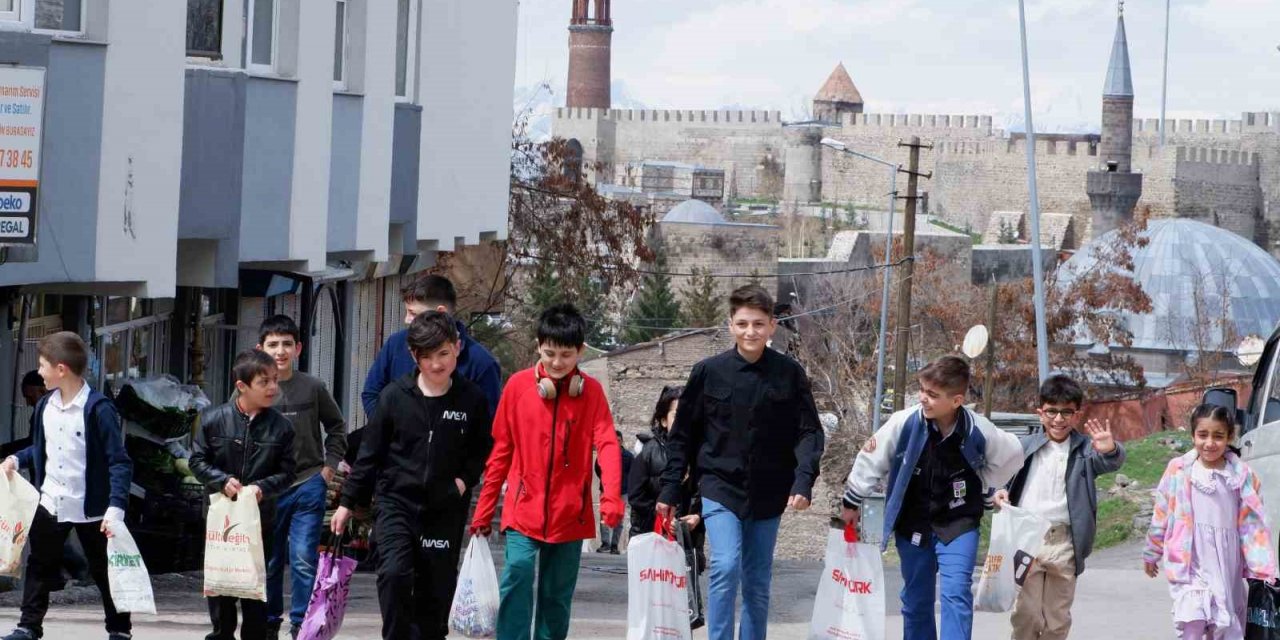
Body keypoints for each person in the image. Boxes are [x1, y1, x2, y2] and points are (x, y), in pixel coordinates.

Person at [656, 285, 825, 640]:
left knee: (757, 579)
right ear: (730, 324)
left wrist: (803, 481)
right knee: (725, 565)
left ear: (772, 326)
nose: (751, 332)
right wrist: (670, 488)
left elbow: (809, 432)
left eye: (759, 324)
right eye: (743, 323)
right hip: (720, 485)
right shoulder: (708, 372)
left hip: (769, 491)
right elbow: (682, 435)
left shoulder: (789, 374)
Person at [332, 311, 494, 640]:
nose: (436, 364)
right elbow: (369, 454)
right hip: (396, 504)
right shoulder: (394, 397)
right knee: (393, 575)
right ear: (413, 356)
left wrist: (462, 483)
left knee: (434, 595)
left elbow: (481, 449)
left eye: (444, 354)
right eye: (427, 357)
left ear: (457, 348)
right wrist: (347, 503)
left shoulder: (471, 399)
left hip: (444, 510)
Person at [469, 303, 624, 640]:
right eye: (550, 352)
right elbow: (500, 453)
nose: (556, 363)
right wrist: (483, 509)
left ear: (580, 352)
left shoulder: (592, 393)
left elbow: (608, 445)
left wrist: (611, 497)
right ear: (538, 345)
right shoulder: (517, 387)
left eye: (566, 355)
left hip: (571, 513)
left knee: (556, 596)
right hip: (523, 509)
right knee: (518, 574)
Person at [842, 355, 1023, 640]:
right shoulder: (904, 423)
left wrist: (988, 489)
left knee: (956, 595)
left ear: (956, 400)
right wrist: (852, 501)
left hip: (959, 523)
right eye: (922, 390)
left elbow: (1012, 455)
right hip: (913, 522)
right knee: (916, 601)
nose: (923, 398)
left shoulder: (979, 429)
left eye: (932, 395)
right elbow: (871, 460)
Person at [0, 332, 134, 640]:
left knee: (104, 571)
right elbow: (42, 448)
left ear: (61, 369)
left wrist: (116, 507)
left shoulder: (99, 409)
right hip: (51, 500)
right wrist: (16, 460)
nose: (40, 372)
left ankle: (119, 630)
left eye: (43, 365)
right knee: (39, 566)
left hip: (93, 506)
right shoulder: (46, 405)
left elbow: (119, 461)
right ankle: (29, 627)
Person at [992, 375, 1127, 640]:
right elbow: (1000, 478)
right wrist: (998, 492)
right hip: (1027, 539)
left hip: (1064, 543)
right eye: (1051, 411)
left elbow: (1110, 462)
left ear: (1077, 415)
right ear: (1040, 412)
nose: (1058, 419)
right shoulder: (1024, 446)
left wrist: (1110, 449)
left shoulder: (1085, 450)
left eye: (1066, 412)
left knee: (1057, 621)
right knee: (1027, 615)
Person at [246, 315, 347, 640]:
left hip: (307, 484)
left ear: (298, 348)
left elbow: (337, 428)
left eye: (287, 344)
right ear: (260, 349)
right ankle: (270, 620)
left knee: (303, 559)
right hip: (267, 491)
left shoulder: (313, 387)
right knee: (271, 562)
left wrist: (328, 468)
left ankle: (302, 625)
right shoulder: (253, 389)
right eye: (273, 344)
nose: (280, 350)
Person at [1144, 404, 1276, 639]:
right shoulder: (1179, 470)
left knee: (1223, 622)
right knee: (1193, 616)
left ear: (1229, 437)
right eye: (1202, 435)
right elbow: (1161, 512)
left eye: (1218, 436)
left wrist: (1263, 568)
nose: (1209, 443)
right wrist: (1152, 551)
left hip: (1226, 559)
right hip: (1190, 556)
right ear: (1193, 435)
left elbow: (1253, 526)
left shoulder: (1241, 476)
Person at [190, 350, 297, 640]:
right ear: (242, 386)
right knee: (221, 583)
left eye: (275, 380)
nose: (273, 388)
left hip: (260, 521)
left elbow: (289, 472)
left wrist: (264, 488)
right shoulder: (212, 420)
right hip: (220, 518)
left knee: (256, 587)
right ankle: (221, 633)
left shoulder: (282, 427)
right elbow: (197, 461)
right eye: (264, 382)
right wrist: (221, 480)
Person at [361, 275, 502, 417]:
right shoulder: (396, 344)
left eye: (413, 313)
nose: (406, 320)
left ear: (440, 312)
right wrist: (391, 430)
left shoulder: (482, 363)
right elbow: (371, 394)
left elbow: (489, 421)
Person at [629, 385, 703, 552]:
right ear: (663, 420)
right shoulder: (648, 452)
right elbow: (636, 497)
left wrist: (698, 516)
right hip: (650, 540)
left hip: (689, 542)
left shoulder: (705, 454)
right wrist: (664, 519)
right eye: (677, 416)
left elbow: (707, 495)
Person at [595, 430, 633, 554]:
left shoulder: (628, 456)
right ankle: (605, 543)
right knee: (603, 517)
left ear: (622, 441)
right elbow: (598, 468)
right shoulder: (604, 454)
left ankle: (614, 545)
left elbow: (632, 471)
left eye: (619, 440)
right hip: (606, 489)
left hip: (622, 491)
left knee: (619, 519)